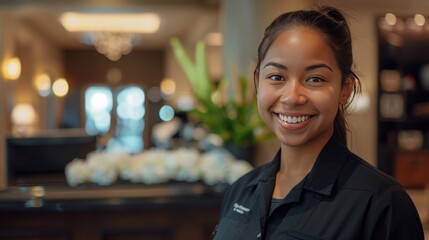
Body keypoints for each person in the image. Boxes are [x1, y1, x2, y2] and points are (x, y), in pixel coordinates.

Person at [213, 5, 424, 240]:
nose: (292, 97)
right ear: (257, 81)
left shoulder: (380, 202)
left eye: (315, 79)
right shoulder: (240, 190)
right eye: (276, 77)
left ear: (345, 90)